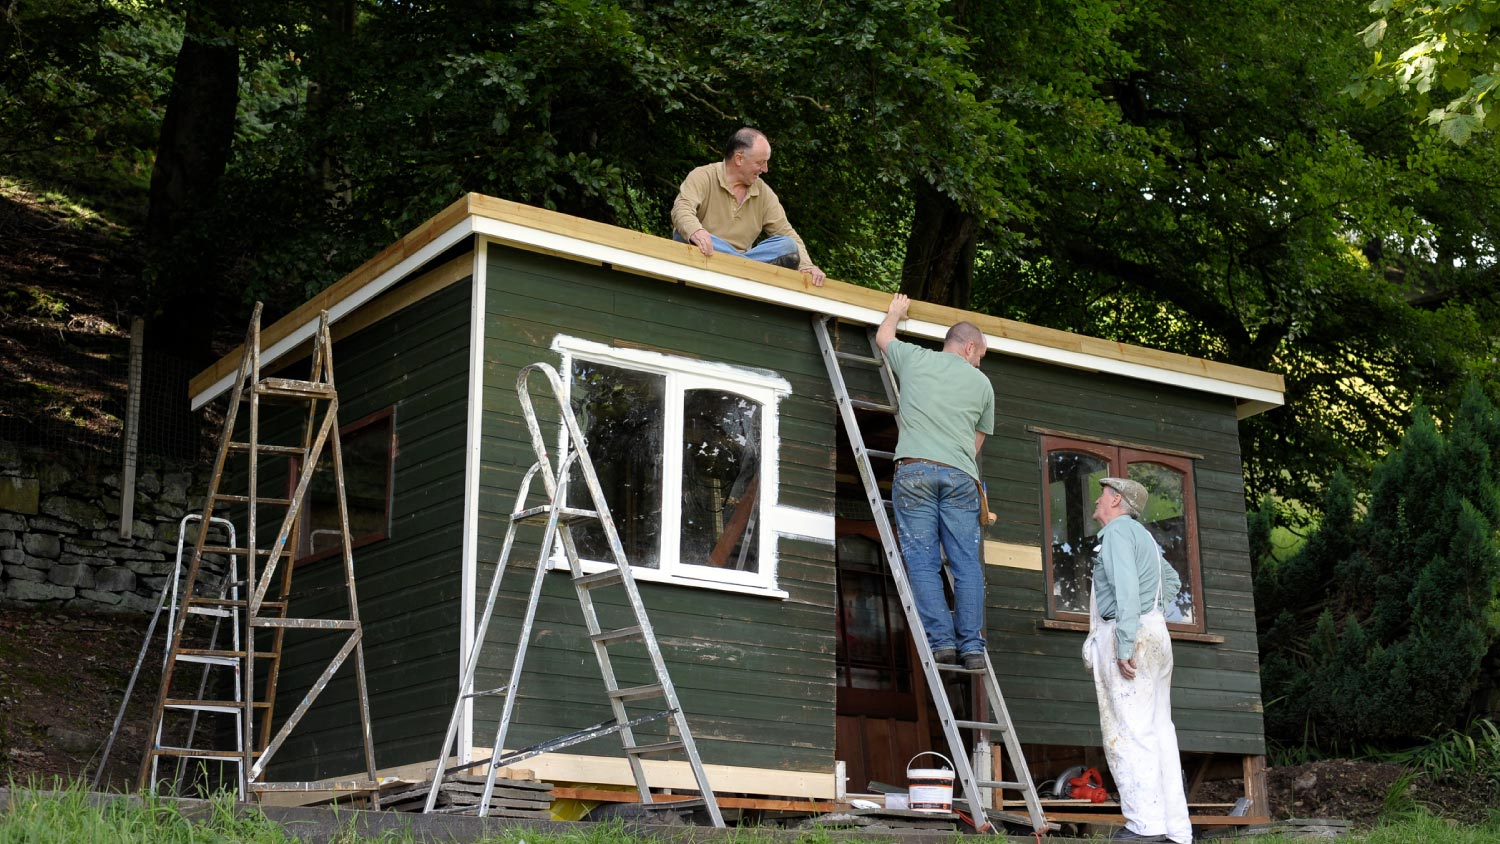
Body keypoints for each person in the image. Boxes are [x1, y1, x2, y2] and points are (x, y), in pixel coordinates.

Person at [874, 293, 994, 670]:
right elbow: (977, 442)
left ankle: (941, 642)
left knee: (923, 563)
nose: (978, 363)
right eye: (980, 356)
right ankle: (972, 647)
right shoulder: (982, 384)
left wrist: (895, 312)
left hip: (914, 472)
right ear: (969, 347)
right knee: (966, 565)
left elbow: (883, 339)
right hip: (960, 477)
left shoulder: (915, 359)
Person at [1084, 477, 1192, 844]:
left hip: (1131, 633)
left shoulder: (1116, 533)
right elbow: (1172, 582)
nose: (1096, 500)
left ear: (1116, 501)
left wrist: (1126, 641)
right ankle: (1176, 829)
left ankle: (1145, 826)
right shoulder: (1143, 536)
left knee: (1128, 733)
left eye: (1101, 495)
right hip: (1155, 633)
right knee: (1161, 731)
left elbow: (1127, 589)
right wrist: (1152, 617)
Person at [671, 127, 827, 286]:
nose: (765, 169)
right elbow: (682, 209)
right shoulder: (703, 175)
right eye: (761, 162)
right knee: (684, 235)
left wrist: (808, 266)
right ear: (739, 159)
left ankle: (738, 265)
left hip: (744, 261)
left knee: (788, 245)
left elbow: (786, 232)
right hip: (706, 252)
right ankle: (740, 266)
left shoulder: (764, 193)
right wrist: (696, 231)